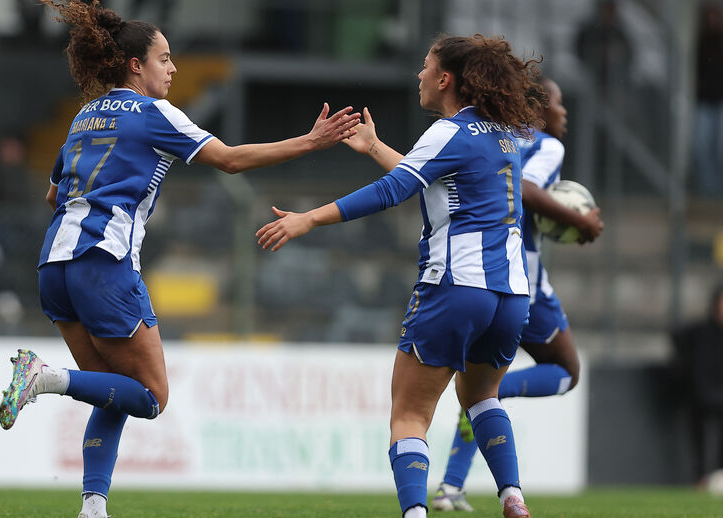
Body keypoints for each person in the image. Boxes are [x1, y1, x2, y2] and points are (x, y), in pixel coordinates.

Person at [0, 2, 360, 518]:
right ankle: (45, 378)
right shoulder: (153, 113)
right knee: (149, 395)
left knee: (113, 393)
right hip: (104, 261)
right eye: (164, 58)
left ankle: (92, 507)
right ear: (134, 65)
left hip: (54, 265)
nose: (174, 68)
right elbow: (229, 160)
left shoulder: (83, 115)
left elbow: (55, 194)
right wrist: (310, 141)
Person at [256, 34, 547, 518]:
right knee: (482, 396)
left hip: (455, 287)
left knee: (410, 415)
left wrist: (308, 218)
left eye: (425, 66)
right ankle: (512, 496)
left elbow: (394, 190)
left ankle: (414, 513)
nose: (418, 75)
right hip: (510, 295)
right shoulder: (501, 134)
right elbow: (432, 181)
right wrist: (374, 147)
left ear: (445, 79)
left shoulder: (447, 133)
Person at [430, 78, 604, 512]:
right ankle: (497, 394)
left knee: (476, 386)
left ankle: (452, 487)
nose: (565, 113)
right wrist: (577, 221)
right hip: (519, 278)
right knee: (565, 370)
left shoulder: (490, 136)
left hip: (471, 273)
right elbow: (525, 191)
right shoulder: (545, 144)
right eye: (560, 103)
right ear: (540, 109)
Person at [671, 284, 723, 485]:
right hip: (702, 395)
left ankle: (718, 476)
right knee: (698, 435)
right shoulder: (700, 332)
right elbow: (677, 338)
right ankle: (701, 478)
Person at [694, 2, 723, 197]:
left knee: (720, 149)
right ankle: (709, 191)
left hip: (720, 100)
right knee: (702, 146)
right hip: (704, 101)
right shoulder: (701, 42)